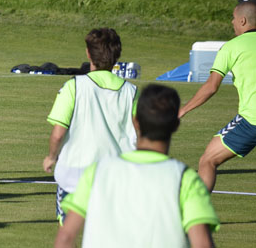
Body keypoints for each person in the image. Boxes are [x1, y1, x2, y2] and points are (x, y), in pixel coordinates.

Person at [55, 84, 219, 248]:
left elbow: (65, 238)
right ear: (176, 125)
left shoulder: (97, 172)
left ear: (136, 122)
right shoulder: (187, 179)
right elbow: (202, 244)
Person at [42, 28, 138, 224]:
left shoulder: (74, 86)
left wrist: (51, 157)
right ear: (117, 56)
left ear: (88, 53)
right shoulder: (131, 91)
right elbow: (141, 134)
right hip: (115, 175)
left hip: (75, 174)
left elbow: (58, 134)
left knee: (68, 233)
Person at [179, 1, 256, 192]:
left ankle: (198, 214)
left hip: (251, 120)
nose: (232, 22)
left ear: (243, 20)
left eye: (234, 18)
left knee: (208, 160)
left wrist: (184, 109)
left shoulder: (230, 47)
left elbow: (211, 86)